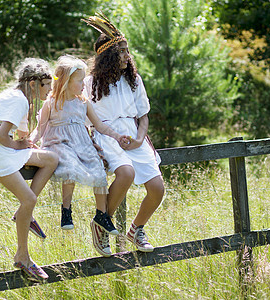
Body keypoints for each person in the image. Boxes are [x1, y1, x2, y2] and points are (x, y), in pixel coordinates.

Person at [0, 58, 58, 279]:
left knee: (50, 159)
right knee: (29, 200)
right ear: (33, 83)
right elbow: (1, 136)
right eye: (47, 84)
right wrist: (18, 145)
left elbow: (22, 135)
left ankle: (22, 214)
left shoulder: (19, 98)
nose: (50, 89)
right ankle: (22, 256)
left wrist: (23, 141)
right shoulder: (18, 101)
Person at [83, 13, 165, 254]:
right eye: (121, 52)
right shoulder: (90, 83)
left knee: (157, 188)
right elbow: (86, 116)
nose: (127, 56)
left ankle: (136, 229)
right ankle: (102, 223)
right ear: (108, 56)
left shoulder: (134, 80)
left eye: (127, 51)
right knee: (126, 173)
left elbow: (144, 115)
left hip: (134, 134)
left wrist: (140, 138)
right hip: (106, 134)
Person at [31, 55, 128, 257]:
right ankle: (66, 211)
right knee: (70, 167)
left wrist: (117, 136)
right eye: (79, 81)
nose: (83, 85)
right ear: (66, 81)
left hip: (82, 144)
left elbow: (99, 125)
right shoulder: (52, 102)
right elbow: (40, 130)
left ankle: (102, 215)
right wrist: (30, 141)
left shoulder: (83, 103)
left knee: (99, 170)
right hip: (59, 143)